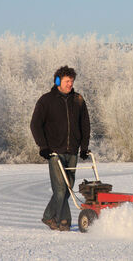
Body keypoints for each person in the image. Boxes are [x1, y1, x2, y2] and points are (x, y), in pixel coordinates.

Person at [30, 65, 91, 231]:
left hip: (72, 151)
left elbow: (85, 124)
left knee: (68, 188)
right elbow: (35, 124)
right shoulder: (46, 100)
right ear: (58, 81)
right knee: (60, 188)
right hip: (55, 152)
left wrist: (84, 147)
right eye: (66, 81)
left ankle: (56, 219)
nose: (70, 84)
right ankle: (56, 219)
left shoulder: (78, 100)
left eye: (71, 81)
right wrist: (43, 146)